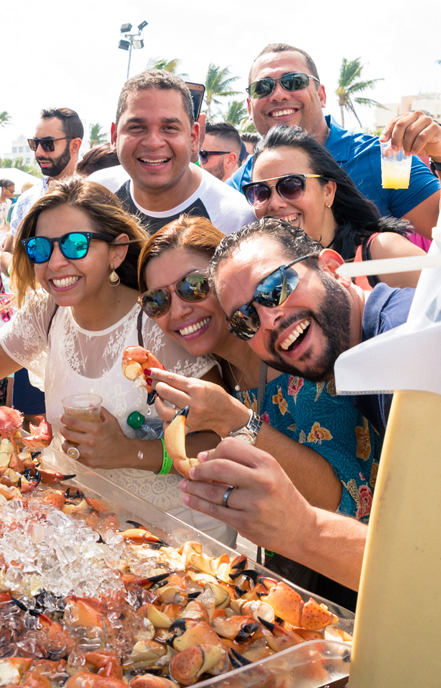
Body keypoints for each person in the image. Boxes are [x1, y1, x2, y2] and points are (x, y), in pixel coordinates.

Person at [0, 177, 231, 543]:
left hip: (174, 537)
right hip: (80, 524)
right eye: (40, 249)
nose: (56, 262)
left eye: (75, 245)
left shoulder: (158, 318)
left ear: (117, 252)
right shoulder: (47, 311)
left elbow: (221, 440)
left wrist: (130, 451)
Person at [139, 217, 375, 605]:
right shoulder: (215, 375)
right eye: (157, 301)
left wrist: (232, 420)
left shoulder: (301, 353)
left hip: (363, 580)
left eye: (193, 287)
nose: (179, 310)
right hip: (295, 586)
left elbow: (346, 497)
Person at [179, 218, 415, 590]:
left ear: (332, 267)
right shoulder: (363, 358)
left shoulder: (406, 352)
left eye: (276, 286)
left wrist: (304, 529)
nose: (269, 318)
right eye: (245, 320)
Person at [228, 43, 441, 240]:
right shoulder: (237, 188)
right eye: (262, 87)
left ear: (321, 95)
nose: (278, 94)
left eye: (294, 81)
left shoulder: (380, 159)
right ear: (249, 107)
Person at [246, 125, 424, 289]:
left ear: (328, 191)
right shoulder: (271, 279)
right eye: (260, 191)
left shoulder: (382, 252)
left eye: (291, 185)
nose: (275, 203)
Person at [90, 70, 254, 236]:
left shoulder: (237, 221)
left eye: (170, 128)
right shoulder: (96, 194)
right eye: (137, 127)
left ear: (194, 137)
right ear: (114, 136)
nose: (153, 143)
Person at [3, 108, 85, 256]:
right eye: (35, 144)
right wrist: (22, 274)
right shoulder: (26, 201)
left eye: (48, 144)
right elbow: (8, 252)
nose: (39, 152)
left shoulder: (94, 195)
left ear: (74, 146)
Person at [0, 179, 14, 245]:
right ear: (4, 189)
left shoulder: (9, 202)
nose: (12, 193)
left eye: (13, 191)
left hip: (9, 233)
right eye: (11, 191)